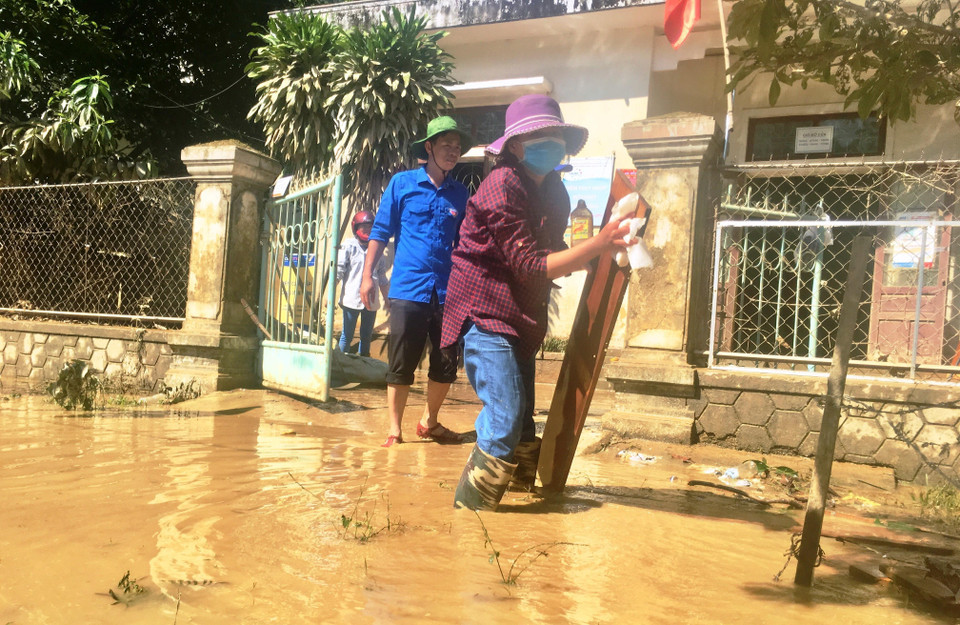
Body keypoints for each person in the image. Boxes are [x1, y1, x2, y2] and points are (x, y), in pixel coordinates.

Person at [440, 94, 636, 511]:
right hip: (487, 313)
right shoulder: (500, 185)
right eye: (538, 135)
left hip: (523, 317)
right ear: (514, 145)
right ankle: (469, 519)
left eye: (556, 135)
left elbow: (553, 250)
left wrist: (598, 259)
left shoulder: (557, 193)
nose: (550, 142)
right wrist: (597, 244)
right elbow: (530, 263)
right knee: (506, 418)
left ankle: (525, 509)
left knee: (523, 422)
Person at [360, 116, 474, 448]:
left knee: (446, 362)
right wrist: (367, 276)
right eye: (445, 145)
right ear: (429, 147)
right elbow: (380, 232)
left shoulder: (460, 194)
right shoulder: (402, 184)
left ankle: (429, 421)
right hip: (409, 288)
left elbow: (466, 244)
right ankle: (394, 430)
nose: (453, 152)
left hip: (448, 291)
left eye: (457, 147)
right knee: (401, 361)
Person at [337, 210, 388, 357]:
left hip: (371, 301)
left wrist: (386, 299)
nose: (367, 230)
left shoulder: (378, 249)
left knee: (366, 336)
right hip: (351, 299)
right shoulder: (349, 246)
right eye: (363, 227)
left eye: (370, 227)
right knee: (347, 335)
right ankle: (340, 364)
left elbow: (382, 277)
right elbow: (339, 271)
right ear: (355, 228)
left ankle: (364, 363)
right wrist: (330, 295)